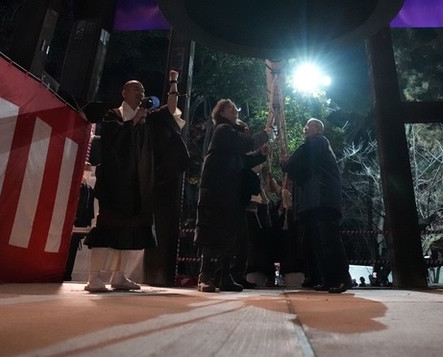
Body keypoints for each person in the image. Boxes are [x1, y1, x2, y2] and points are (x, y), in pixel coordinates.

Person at [83, 70, 187, 292]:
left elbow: (170, 111)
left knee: (130, 230)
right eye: (136, 88)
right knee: (107, 227)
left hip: (137, 183)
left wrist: (173, 82)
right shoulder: (113, 115)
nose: (141, 93)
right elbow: (113, 142)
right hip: (115, 183)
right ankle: (94, 277)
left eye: (142, 90)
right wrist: (134, 120)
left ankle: (119, 276)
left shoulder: (148, 118)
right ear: (124, 92)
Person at [194, 99, 269, 292]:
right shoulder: (223, 130)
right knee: (212, 232)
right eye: (229, 107)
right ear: (220, 112)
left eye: (235, 107)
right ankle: (205, 275)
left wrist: (261, 155)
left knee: (229, 234)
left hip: (229, 191)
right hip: (217, 190)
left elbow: (244, 161)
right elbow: (247, 144)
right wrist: (265, 134)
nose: (234, 109)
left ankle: (224, 276)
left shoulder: (231, 135)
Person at [283, 118, 351, 294]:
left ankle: (342, 278)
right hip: (316, 200)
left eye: (309, 126)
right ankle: (329, 279)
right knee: (319, 242)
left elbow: (295, 163)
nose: (305, 129)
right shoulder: (318, 148)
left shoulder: (318, 142)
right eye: (305, 126)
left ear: (318, 129)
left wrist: (286, 163)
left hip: (322, 198)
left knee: (328, 240)